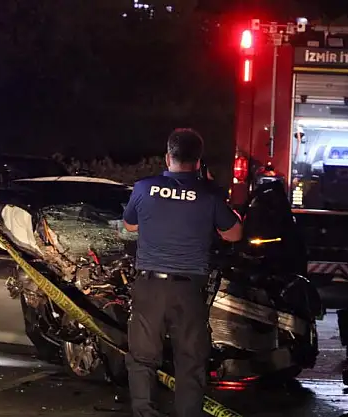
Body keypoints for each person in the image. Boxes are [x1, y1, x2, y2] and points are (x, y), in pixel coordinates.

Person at [122, 128, 243, 417]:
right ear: (198, 162)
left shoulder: (143, 188)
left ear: (168, 157)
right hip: (189, 290)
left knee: (142, 359)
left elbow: (130, 225)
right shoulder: (208, 195)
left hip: (150, 287)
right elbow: (234, 233)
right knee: (190, 362)